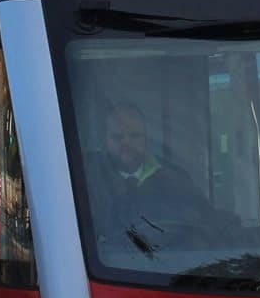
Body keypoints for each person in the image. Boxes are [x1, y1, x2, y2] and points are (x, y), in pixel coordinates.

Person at [88, 103, 220, 248]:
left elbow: (205, 221)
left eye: (135, 136)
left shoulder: (175, 179)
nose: (126, 142)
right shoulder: (87, 179)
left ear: (146, 139)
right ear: (105, 140)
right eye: (117, 137)